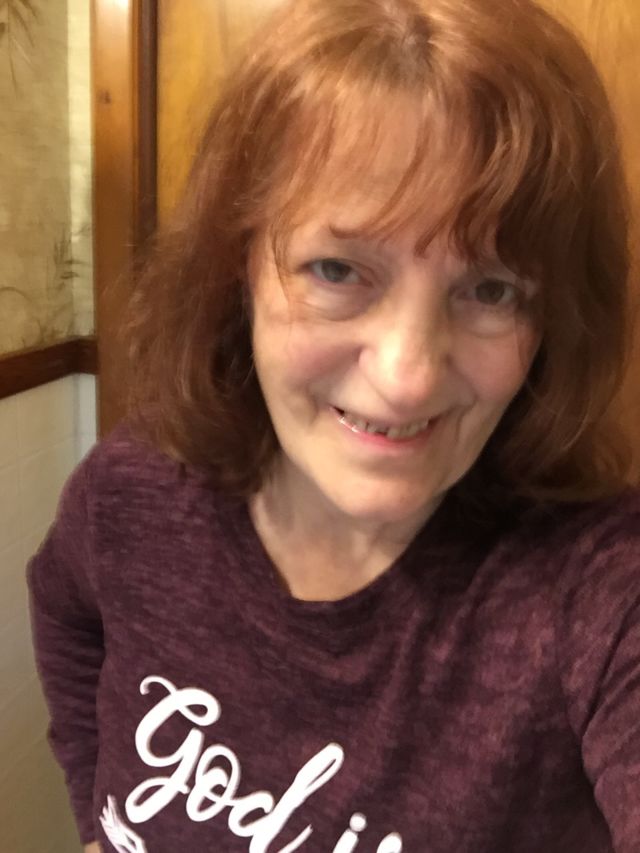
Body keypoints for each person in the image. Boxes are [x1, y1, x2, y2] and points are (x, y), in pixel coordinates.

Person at [28, 0, 640, 850]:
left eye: (491, 289)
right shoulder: (133, 488)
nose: (407, 375)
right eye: (339, 269)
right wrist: (98, 815)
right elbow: (65, 607)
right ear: (240, 269)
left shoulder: (599, 588)